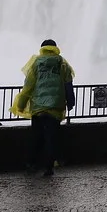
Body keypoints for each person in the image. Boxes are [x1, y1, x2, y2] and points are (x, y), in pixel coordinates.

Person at [10, 39, 75, 177]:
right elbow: (68, 85)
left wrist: (21, 104)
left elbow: (28, 86)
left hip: (38, 106)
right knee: (52, 137)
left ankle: (31, 164)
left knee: (36, 136)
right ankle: (48, 168)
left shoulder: (36, 63)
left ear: (42, 49)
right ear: (55, 48)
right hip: (55, 106)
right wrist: (71, 102)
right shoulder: (63, 64)